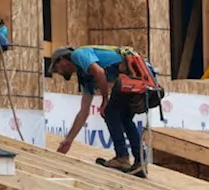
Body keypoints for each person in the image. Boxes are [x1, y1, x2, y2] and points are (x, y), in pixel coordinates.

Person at [46, 45, 146, 176]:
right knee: (124, 117)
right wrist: (68, 140)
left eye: (56, 68)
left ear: (63, 60)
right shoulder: (85, 78)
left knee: (111, 112)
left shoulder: (77, 54)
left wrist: (105, 99)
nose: (57, 72)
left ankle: (122, 157)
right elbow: (84, 112)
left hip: (133, 76)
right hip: (135, 77)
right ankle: (140, 162)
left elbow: (100, 72)